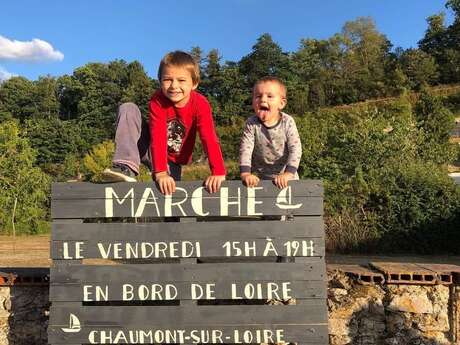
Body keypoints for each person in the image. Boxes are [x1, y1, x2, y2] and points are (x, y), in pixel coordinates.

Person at [103, 51, 226, 194]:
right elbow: (158, 136)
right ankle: (125, 167)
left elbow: (209, 137)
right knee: (128, 108)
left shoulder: (200, 104)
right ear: (160, 81)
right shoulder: (158, 100)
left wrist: (218, 171)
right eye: (167, 80)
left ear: (194, 83)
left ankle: (171, 214)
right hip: (148, 147)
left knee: (171, 201)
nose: (174, 86)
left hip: (172, 159)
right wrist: (160, 173)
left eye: (181, 80)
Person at [239, 76, 302, 188]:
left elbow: (296, 149)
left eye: (270, 96)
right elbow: (245, 149)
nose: (263, 99)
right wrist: (246, 174)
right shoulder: (251, 123)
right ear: (253, 102)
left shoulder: (287, 121)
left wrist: (288, 173)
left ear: (281, 104)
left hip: (287, 179)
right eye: (258, 96)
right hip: (261, 180)